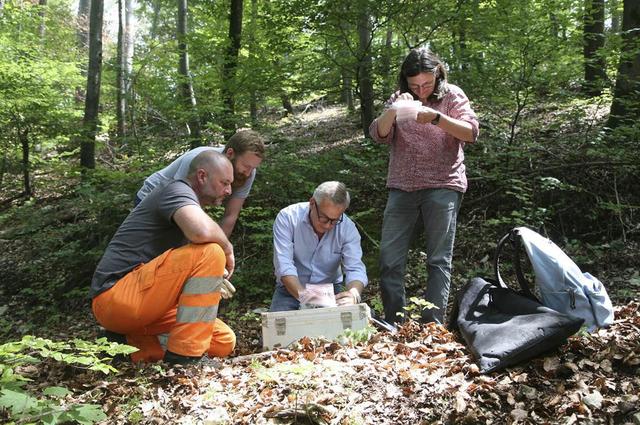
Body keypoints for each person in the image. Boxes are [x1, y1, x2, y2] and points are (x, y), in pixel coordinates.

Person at [91, 150, 238, 365]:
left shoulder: (184, 206)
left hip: (147, 304)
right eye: (225, 182)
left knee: (222, 341)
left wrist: (207, 282)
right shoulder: (174, 189)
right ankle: (186, 357)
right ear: (202, 176)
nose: (229, 190)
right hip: (116, 297)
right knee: (211, 250)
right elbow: (200, 231)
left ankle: (122, 346)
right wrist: (226, 248)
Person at [368, 48, 479, 325]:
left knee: (438, 259)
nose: (420, 90)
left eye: (427, 84)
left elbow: (471, 132)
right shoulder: (399, 99)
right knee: (390, 258)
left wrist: (437, 118)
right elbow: (378, 134)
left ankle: (433, 324)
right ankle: (395, 322)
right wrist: (393, 110)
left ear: (438, 74)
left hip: (444, 184)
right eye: (414, 85)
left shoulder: (453, 95)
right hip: (402, 186)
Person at [135, 129, 265, 236]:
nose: (248, 173)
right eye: (246, 166)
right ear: (230, 153)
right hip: (151, 197)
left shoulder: (248, 173)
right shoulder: (198, 159)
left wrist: (220, 252)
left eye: (253, 168)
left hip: (183, 204)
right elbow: (180, 202)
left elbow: (230, 216)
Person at [270, 181, 368, 311]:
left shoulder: (347, 228)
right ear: (312, 203)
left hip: (331, 289)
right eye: (324, 218)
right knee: (277, 327)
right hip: (291, 289)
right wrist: (308, 299)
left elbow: (355, 268)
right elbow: (284, 266)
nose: (328, 225)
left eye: (335, 220)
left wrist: (354, 295)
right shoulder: (288, 218)